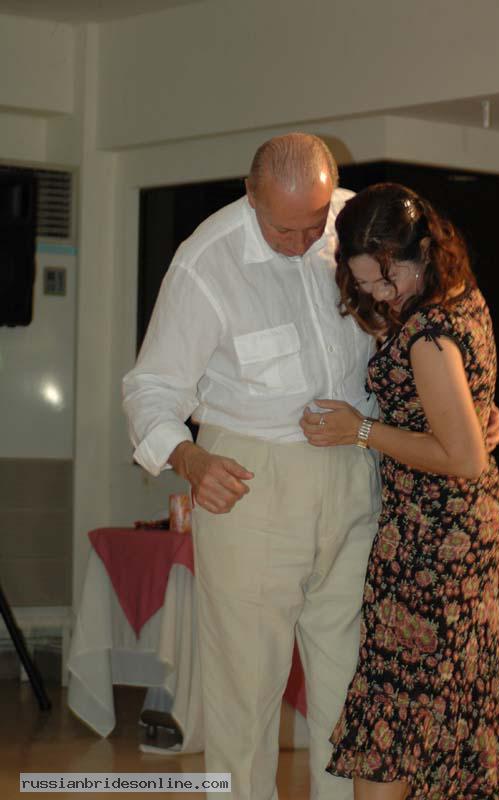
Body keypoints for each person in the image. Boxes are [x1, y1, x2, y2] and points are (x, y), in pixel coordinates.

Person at [122, 133, 382, 800]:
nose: (300, 244)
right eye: (282, 230)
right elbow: (151, 388)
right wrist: (189, 457)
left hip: (355, 472)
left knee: (349, 682)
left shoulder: (357, 223)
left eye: (313, 226)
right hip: (248, 481)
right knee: (244, 691)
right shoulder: (205, 261)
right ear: (250, 194)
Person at [300, 183, 499, 799]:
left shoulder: (428, 333)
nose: (378, 294)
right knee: (447, 697)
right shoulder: (462, 297)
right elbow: (467, 419)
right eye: (364, 282)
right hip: (462, 527)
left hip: (433, 539)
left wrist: (360, 430)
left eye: (386, 277)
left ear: (423, 251)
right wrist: (478, 415)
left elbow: (463, 457)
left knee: (397, 694)